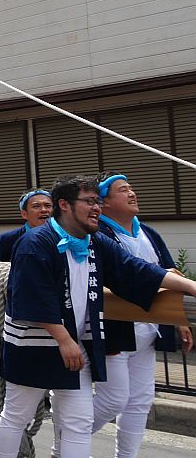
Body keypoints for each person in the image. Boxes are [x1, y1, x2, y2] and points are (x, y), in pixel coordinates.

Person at [0, 174, 196, 458]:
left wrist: (189, 286)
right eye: (89, 201)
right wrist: (63, 339)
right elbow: (31, 296)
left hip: (76, 344)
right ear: (64, 205)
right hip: (34, 343)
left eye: (98, 201)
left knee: (79, 421)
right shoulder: (35, 242)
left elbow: (134, 269)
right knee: (17, 415)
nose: (97, 208)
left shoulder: (94, 241)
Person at [92, 172, 194, 458]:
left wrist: (180, 322)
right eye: (123, 190)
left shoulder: (148, 232)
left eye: (131, 188)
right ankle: (68, 438)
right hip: (115, 328)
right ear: (104, 202)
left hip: (149, 329)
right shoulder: (99, 235)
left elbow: (172, 275)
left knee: (140, 401)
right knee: (113, 400)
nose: (132, 193)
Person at [0, 189, 53, 262]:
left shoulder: (60, 238)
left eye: (48, 206)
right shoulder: (4, 240)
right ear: (24, 214)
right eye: (36, 206)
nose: (44, 210)